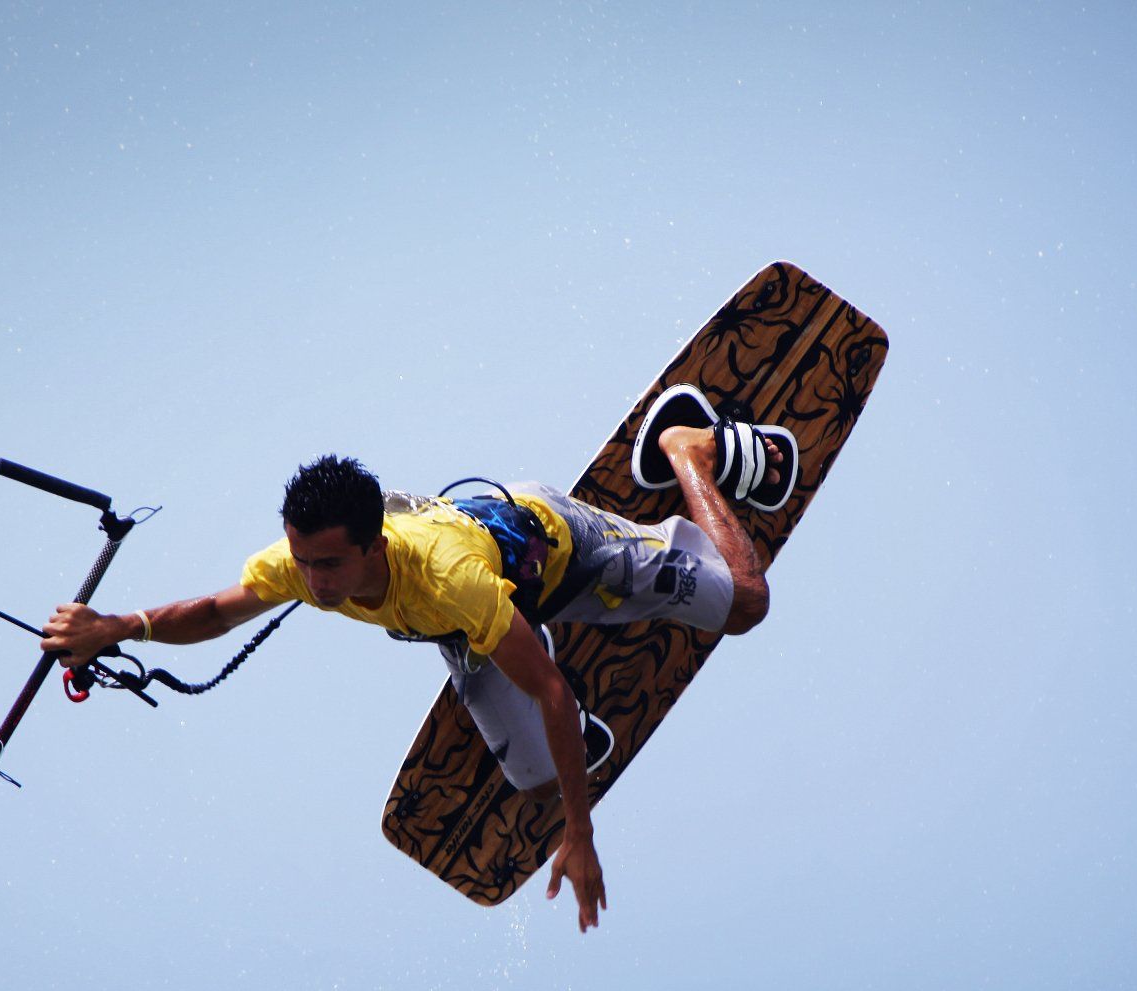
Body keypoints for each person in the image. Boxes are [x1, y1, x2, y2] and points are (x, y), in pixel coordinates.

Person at [41, 385, 794, 933]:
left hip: (564, 555)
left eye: (330, 565)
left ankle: (686, 448)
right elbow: (216, 609)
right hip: (481, 623)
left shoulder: (446, 577)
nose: (313, 581)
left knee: (747, 606)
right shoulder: (298, 563)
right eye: (305, 561)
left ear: (374, 545)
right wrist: (117, 627)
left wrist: (583, 833)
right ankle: (535, 665)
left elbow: (556, 695)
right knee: (534, 783)